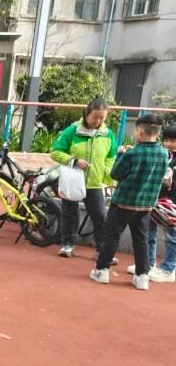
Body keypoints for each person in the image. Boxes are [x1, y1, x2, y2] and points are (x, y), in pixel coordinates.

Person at [91, 114, 170, 290]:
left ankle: (102, 271)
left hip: (123, 202)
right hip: (146, 205)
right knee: (141, 239)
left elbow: (115, 174)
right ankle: (142, 276)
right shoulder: (164, 154)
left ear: (140, 132)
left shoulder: (132, 154)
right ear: (157, 133)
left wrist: (120, 154)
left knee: (112, 236)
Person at [50, 97, 118, 259]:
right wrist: (74, 161)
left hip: (94, 182)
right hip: (73, 180)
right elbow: (55, 152)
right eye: (95, 117)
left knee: (100, 216)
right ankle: (67, 244)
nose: (98, 121)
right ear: (87, 114)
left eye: (102, 118)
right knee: (69, 213)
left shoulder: (108, 134)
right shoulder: (72, 131)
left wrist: (106, 171)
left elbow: (111, 156)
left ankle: (102, 250)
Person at [128, 124, 176, 282]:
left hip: (172, 204)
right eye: (167, 140)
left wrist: (171, 182)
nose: (169, 144)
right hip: (155, 200)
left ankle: (168, 269)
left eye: (173, 141)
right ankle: (147, 263)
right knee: (149, 232)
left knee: (172, 236)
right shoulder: (164, 155)